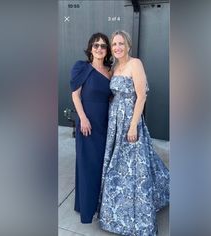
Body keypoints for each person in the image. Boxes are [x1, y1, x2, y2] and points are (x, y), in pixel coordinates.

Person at [99, 30, 169, 235]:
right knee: (116, 166)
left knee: (133, 170)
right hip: (115, 123)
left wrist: (132, 126)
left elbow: (141, 96)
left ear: (128, 45)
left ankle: (136, 216)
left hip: (131, 121)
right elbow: (113, 95)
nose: (117, 47)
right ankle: (115, 213)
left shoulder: (135, 64)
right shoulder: (115, 66)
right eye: (114, 44)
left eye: (121, 43)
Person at [70, 32, 113, 223]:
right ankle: (86, 208)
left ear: (107, 50)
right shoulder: (81, 68)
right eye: (96, 45)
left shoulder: (111, 71)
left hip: (105, 123)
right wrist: (83, 118)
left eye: (103, 46)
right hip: (87, 123)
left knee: (101, 166)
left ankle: (98, 205)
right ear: (90, 48)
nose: (99, 49)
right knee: (88, 166)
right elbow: (75, 95)